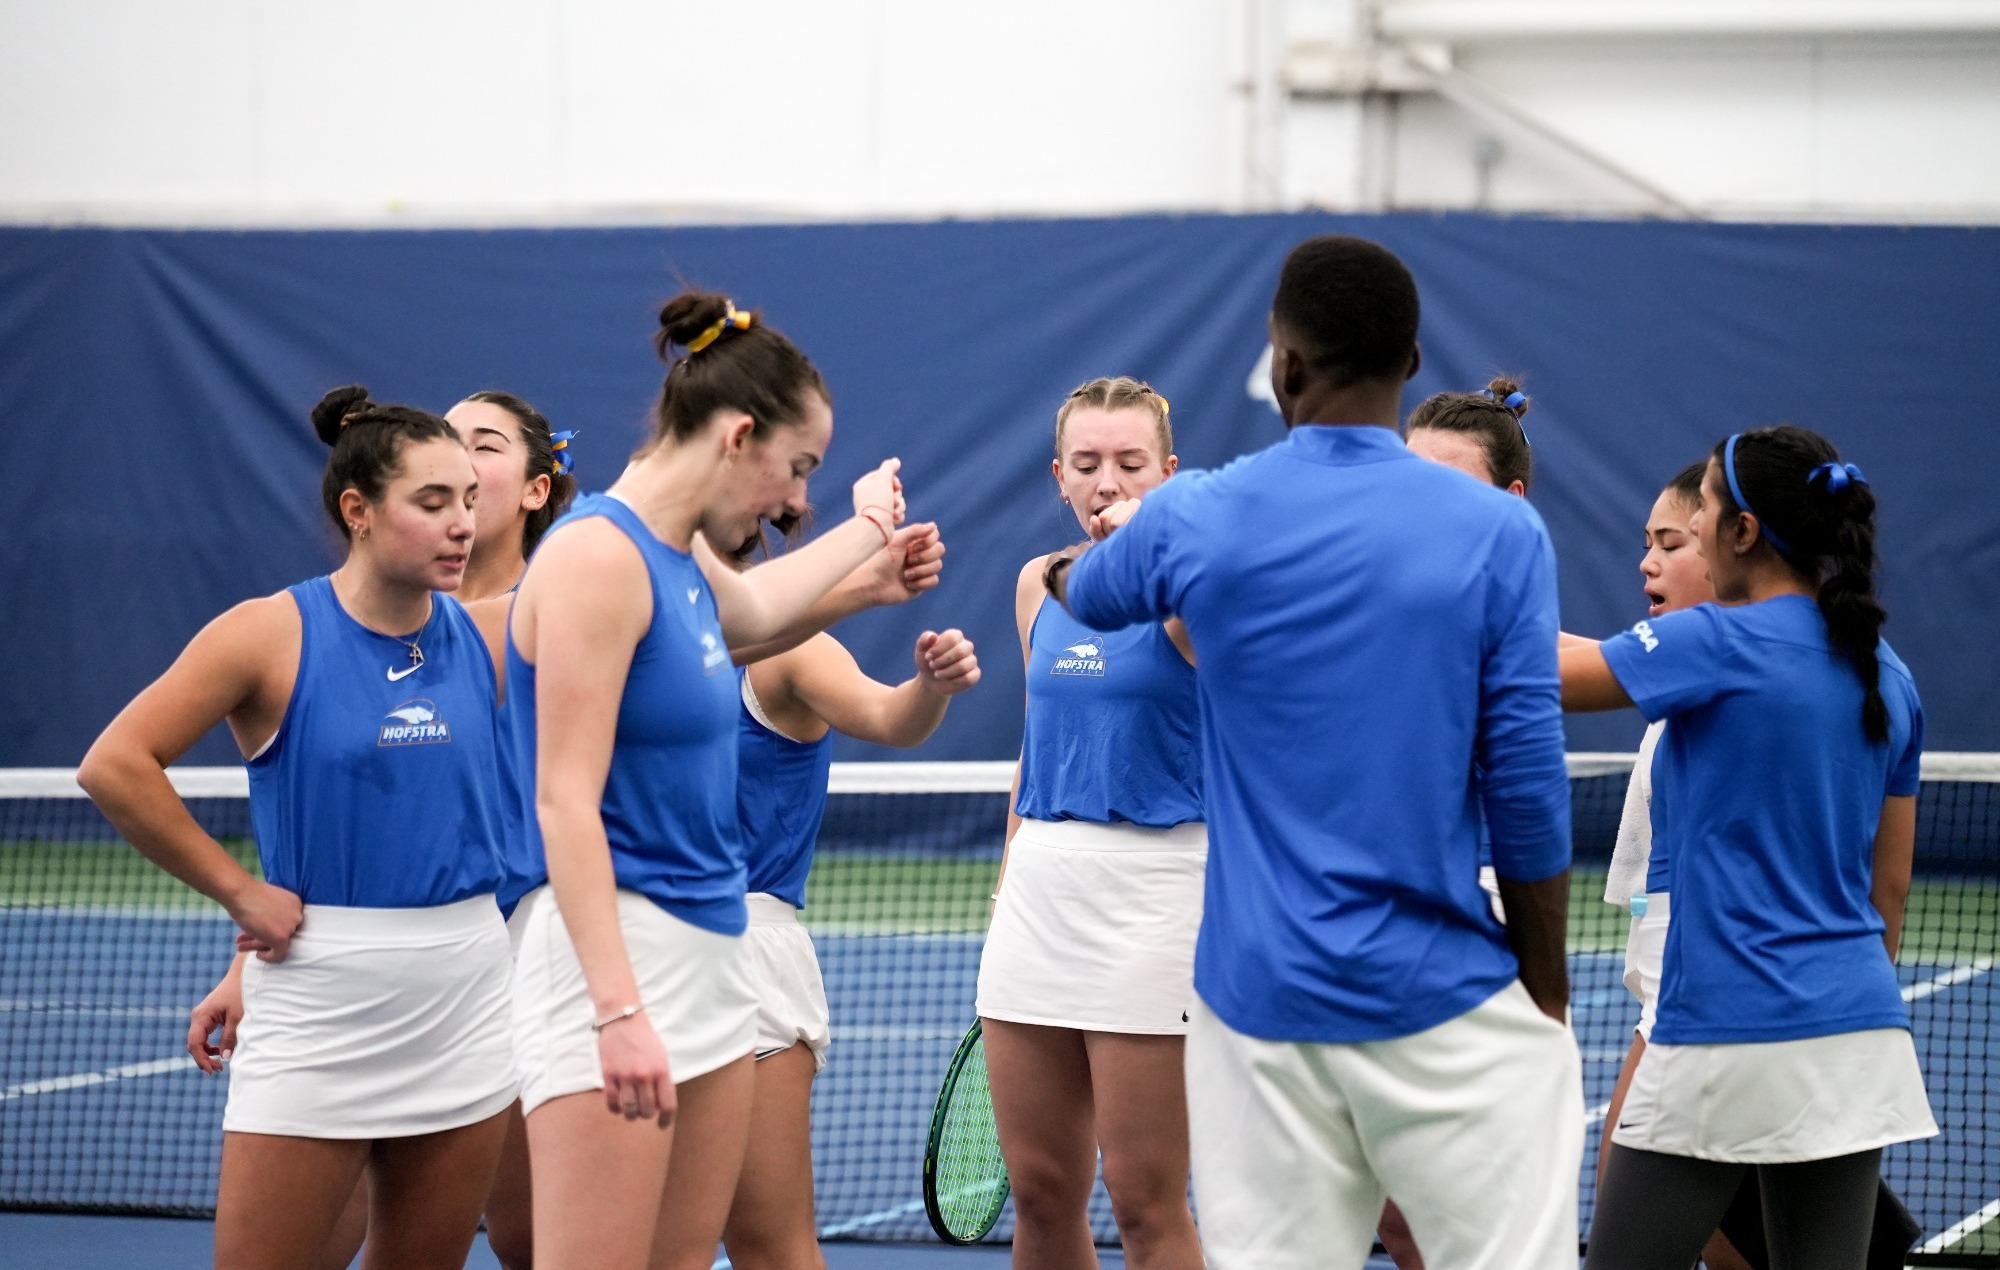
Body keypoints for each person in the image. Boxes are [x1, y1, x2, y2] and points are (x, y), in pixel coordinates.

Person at [1047, 235, 1582, 1270]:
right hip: (1445, 997)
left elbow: (1085, 588)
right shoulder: (1499, 534)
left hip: (1253, 1013)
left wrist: (1110, 541)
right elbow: (1525, 787)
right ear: (1410, 365)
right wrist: (1544, 994)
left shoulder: (1193, 515)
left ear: (1280, 363)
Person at [504, 292, 919, 1270]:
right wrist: (615, 1008)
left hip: (715, 953)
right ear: (739, 436)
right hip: (615, 961)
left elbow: (759, 607)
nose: (789, 499)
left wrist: (866, 535)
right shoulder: (596, 558)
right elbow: (563, 799)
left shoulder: (680, 559)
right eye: (798, 468)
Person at [80, 386, 518, 1269]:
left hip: (470, 992)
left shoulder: (491, 634)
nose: (462, 524)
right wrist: (242, 896)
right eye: (432, 503)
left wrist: (858, 565)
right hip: (320, 1002)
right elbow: (115, 765)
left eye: (469, 499)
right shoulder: (267, 635)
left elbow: (698, 616)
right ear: (358, 510)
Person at [1564, 425, 1936, 1269]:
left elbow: (1537, 675)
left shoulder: (1712, 643)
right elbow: (1892, 890)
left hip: (1723, 1035)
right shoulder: (1890, 672)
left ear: (1743, 532)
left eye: (1698, 512)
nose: (1687, 531)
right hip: (1858, 1036)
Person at [975, 376, 1205, 1270]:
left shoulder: (1193, 593)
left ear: (1169, 473)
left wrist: (1149, 551)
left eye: (1130, 463)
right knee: (1039, 1195)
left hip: (1161, 895)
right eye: (1087, 463)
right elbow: (1039, 748)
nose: (1107, 481)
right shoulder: (1039, 584)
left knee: (1145, 1205)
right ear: (1059, 477)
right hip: (1040, 892)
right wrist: (1006, 882)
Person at [721, 530, 982, 1270]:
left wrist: (929, 687)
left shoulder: (790, 653)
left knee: (771, 1247)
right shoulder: (625, 626)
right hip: (625, 943)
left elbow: (890, 716)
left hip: (748, 958)